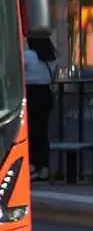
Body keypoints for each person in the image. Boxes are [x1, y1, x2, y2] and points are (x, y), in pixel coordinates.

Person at [23, 37, 56, 181]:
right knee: (42, 131)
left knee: (29, 131)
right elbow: (53, 76)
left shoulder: (29, 55)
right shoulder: (51, 58)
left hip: (30, 93)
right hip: (45, 94)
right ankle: (44, 167)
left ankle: (32, 166)